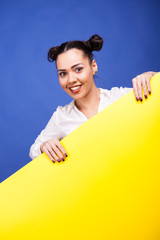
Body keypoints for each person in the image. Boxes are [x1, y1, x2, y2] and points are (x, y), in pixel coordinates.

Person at [29, 34, 157, 163]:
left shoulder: (120, 98)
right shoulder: (61, 117)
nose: (71, 80)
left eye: (78, 69)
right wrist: (43, 146)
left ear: (93, 66)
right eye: (63, 74)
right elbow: (34, 151)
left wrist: (153, 76)